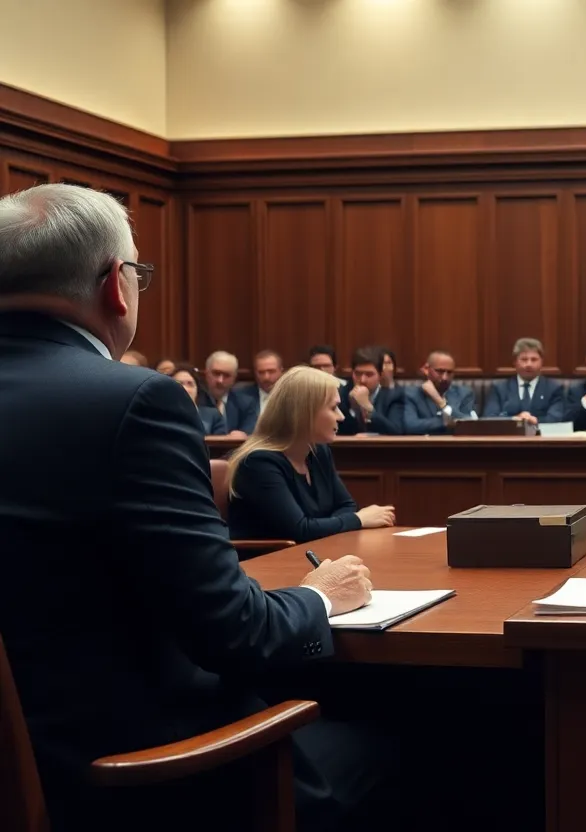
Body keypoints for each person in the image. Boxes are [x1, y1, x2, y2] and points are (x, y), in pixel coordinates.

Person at [0, 183, 386, 832]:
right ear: (116, 286)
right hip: (142, 775)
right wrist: (318, 596)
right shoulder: (133, 403)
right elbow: (236, 635)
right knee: (420, 738)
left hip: (25, 772)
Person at [228, 365, 396, 542]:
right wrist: (359, 519)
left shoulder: (317, 451)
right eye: (333, 408)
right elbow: (300, 530)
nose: (341, 417)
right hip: (266, 563)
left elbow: (346, 505)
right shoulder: (258, 463)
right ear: (304, 414)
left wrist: (332, 523)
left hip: (313, 554)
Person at [170, 363, 229, 436]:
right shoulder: (159, 415)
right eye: (179, 384)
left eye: (190, 384)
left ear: (197, 390)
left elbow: (221, 443)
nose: (185, 389)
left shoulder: (214, 416)